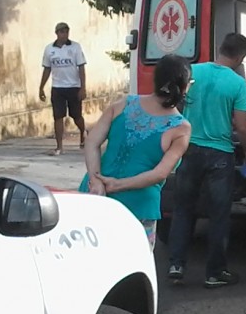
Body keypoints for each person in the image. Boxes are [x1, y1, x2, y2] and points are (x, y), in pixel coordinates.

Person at [167, 33, 246, 287]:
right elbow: (241, 125)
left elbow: (174, 106)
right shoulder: (237, 83)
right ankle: (215, 272)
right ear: (241, 57)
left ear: (219, 48)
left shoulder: (192, 71)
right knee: (219, 214)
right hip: (220, 154)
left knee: (183, 209)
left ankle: (176, 265)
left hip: (189, 148)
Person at [79, 55, 192, 249]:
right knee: (134, 268)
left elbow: (91, 142)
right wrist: (117, 185)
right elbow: (159, 174)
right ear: (185, 87)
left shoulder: (123, 104)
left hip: (94, 197)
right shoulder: (181, 127)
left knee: (90, 266)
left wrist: (96, 180)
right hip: (138, 206)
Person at [38, 22, 87, 156]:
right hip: (58, 88)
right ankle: (59, 146)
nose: (64, 34)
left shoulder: (75, 47)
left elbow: (81, 68)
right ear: (57, 33)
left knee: (76, 116)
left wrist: (83, 88)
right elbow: (47, 69)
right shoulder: (49, 49)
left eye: (66, 32)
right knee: (58, 117)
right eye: (61, 32)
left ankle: (83, 132)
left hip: (73, 87)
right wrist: (41, 87)